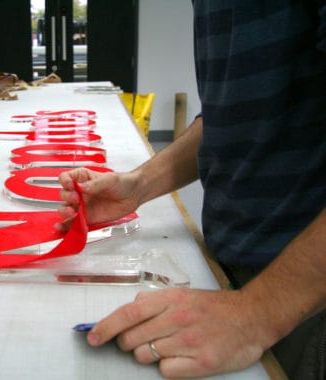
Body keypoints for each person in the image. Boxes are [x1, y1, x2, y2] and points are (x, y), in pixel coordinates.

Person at [56, 1, 326, 378]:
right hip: (233, 269)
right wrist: (140, 185)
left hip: (306, 298)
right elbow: (226, 117)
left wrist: (258, 312)